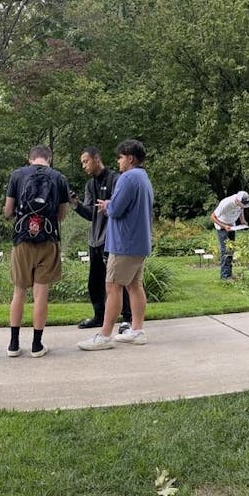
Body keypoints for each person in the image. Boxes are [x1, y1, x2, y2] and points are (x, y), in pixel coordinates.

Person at [79, 139, 154, 351]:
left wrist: (107, 207)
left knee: (112, 287)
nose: (118, 161)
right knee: (134, 285)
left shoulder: (127, 178)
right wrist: (112, 205)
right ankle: (137, 330)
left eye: (120, 157)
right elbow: (129, 206)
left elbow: (117, 210)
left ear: (130, 158)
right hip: (139, 242)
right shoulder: (143, 177)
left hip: (124, 243)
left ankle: (104, 336)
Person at [3, 145, 70, 358]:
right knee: (41, 293)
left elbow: (7, 211)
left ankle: (13, 345)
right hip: (48, 239)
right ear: (49, 159)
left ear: (30, 158)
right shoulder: (59, 178)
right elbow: (62, 214)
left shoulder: (17, 175)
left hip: (22, 239)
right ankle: (36, 345)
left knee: (19, 292)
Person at [70, 147, 132, 330]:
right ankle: (99, 316)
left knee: (118, 281)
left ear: (96, 159)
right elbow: (90, 214)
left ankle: (127, 319)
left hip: (112, 239)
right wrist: (76, 204)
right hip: (95, 240)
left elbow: (122, 206)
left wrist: (110, 206)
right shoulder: (90, 185)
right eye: (82, 162)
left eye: (86, 161)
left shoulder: (115, 179)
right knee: (95, 282)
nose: (84, 166)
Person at [210, 191, 249, 280]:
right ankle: (225, 276)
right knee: (225, 251)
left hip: (232, 226)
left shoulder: (240, 203)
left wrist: (242, 220)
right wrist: (224, 226)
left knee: (231, 250)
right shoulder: (226, 203)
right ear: (237, 200)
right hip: (222, 227)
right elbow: (212, 217)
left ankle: (229, 274)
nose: (242, 206)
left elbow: (241, 209)